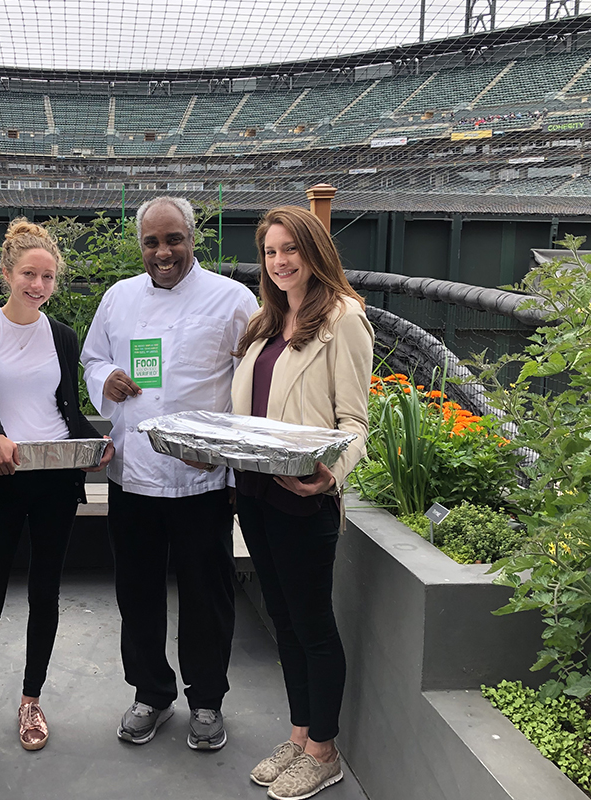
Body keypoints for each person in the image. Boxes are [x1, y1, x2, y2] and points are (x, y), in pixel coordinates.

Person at [81, 196, 259, 751]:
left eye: (174, 239)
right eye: (153, 242)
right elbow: (90, 358)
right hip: (133, 474)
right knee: (136, 592)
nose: (164, 252)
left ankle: (206, 699)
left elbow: (248, 385)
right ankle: (151, 693)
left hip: (200, 479)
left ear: (192, 237)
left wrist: (230, 463)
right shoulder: (118, 299)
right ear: (141, 245)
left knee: (207, 594)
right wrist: (107, 376)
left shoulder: (233, 301)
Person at [0, 218, 113, 761]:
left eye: (47, 277)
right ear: (7, 273)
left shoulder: (62, 335)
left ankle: (30, 699)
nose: (38, 285)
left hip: (55, 478)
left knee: (45, 594)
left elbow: (66, 407)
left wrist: (98, 444)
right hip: (1, 476)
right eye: (28, 274)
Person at [229, 206, 372, 800]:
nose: (280, 261)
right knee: (283, 621)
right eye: (270, 251)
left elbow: (356, 422)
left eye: (290, 249)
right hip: (257, 493)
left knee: (313, 626)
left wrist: (329, 476)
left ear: (314, 251)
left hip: (303, 499)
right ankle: (298, 734)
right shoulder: (266, 322)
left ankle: (324, 749)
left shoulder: (344, 320)